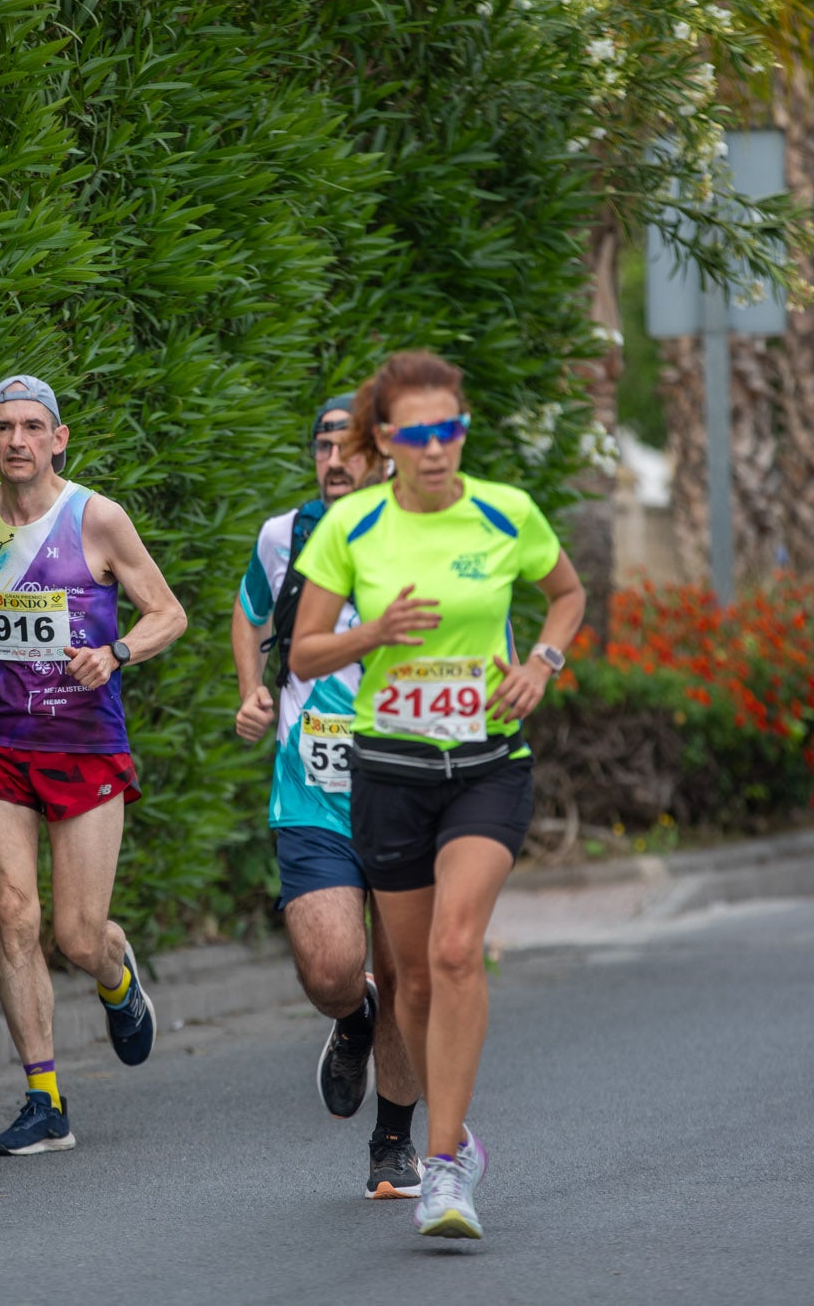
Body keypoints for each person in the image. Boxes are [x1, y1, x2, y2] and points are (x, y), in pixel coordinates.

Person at [289, 351, 584, 1240]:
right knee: (411, 974)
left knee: (458, 948)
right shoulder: (353, 528)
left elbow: (566, 593)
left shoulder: (506, 511)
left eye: (448, 429)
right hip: (391, 769)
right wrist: (373, 632)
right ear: (384, 439)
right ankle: (447, 1129)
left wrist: (541, 661)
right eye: (415, 434)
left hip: (489, 764)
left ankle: (446, 1163)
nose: (435, 448)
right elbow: (303, 653)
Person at [0, 375, 187, 1156]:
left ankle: (115, 971)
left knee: (73, 932)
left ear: (58, 438)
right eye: (3, 426)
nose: (17, 440)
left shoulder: (97, 518)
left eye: (33, 426)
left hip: (85, 744)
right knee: (12, 912)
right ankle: (44, 1099)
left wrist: (117, 650)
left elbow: (168, 610)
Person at [232, 395, 424, 1199]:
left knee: (402, 965)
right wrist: (251, 688)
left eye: (351, 447)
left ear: (383, 458)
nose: (334, 459)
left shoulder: (425, 537)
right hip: (313, 786)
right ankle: (352, 1016)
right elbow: (248, 615)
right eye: (323, 445)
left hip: (412, 786)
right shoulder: (287, 536)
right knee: (332, 969)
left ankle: (392, 1143)